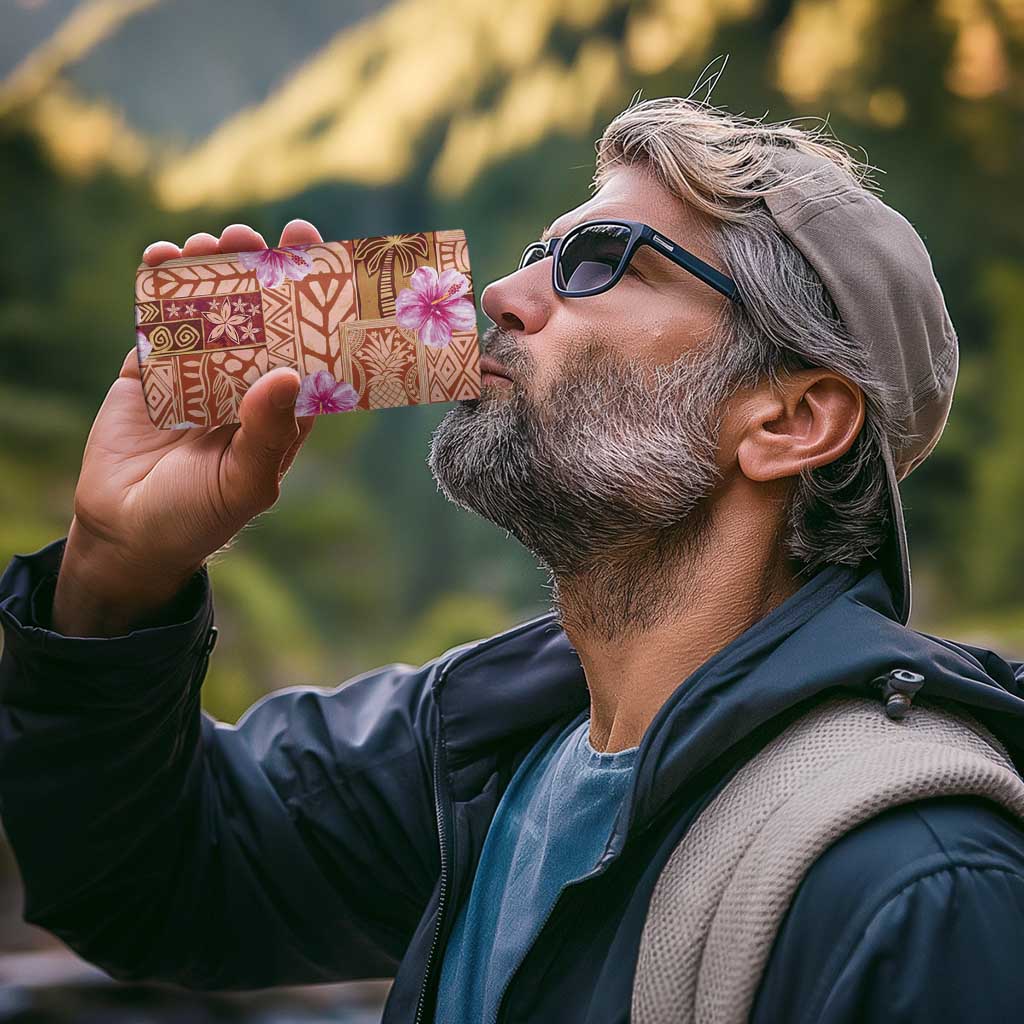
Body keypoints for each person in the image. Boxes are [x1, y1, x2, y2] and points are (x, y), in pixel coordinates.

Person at [2, 94, 1024, 1024]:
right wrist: (115, 571)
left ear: (790, 419)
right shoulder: (480, 748)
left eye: (600, 261)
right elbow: (148, 880)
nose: (501, 291)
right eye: (540, 252)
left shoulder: (918, 884)